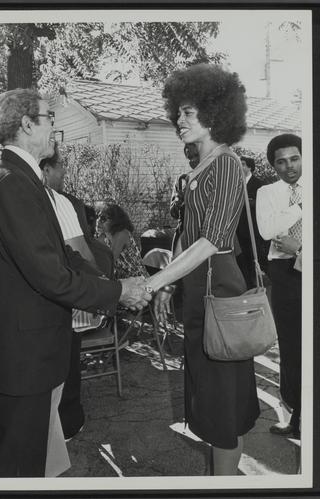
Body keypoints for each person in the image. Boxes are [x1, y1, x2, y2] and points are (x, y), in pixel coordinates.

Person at [0, 88, 151, 478]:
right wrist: (120, 291)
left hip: (33, 352)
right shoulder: (9, 182)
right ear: (26, 124)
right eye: (49, 118)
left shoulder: (23, 179)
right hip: (23, 357)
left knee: (34, 462)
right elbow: (50, 275)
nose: (55, 127)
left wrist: (115, 284)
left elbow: (62, 256)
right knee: (19, 469)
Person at [144, 64, 260, 475]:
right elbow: (184, 234)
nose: (179, 121)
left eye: (188, 113)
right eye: (177, 113)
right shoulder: (197, 170)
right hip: (197, 295)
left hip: (220, 295)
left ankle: (223, 482)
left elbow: (211, 239)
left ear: (216, 114)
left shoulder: (227, 165)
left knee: (223, 407)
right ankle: (217, 476)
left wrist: (156, 279)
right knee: (209, 403)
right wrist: (166, 289)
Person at [39, 149, 113, 443]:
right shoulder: (60, 202)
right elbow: (80, 252)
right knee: (67, 360)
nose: (64, 174)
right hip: (65, 298)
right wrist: (105, 287)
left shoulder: (10, 194)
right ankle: (68, 422)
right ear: (46, 169)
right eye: (61, 168)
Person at [256, 133, 302, 438]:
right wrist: (300, 206)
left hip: (303, 261)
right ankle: (296, 416)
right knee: (291, 345)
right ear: (273, 166)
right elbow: (267, 230)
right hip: (285, 275)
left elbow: (286, 236)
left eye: (295, 158)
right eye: (281, 162)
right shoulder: (267, 192)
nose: (289, 167)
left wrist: (299, 246)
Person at [235, 156, 269, 288]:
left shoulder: (259, 184)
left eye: (243, 164)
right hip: (239, 230)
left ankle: (259, 286)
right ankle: (248, 287)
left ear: (250, 167)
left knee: (256, 259)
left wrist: (248, 202)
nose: (240, 166)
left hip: (253, 229)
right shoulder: (236, 183)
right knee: (243, 260)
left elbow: (262, 203)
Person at [98, 203, 149, 280]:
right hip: (122, 280)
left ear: (115, 220)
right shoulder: (103, 237)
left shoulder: (122, 234)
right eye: (98, 217)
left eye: (103, 218)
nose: (98, 221)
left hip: (138, 279)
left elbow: (110, 261)